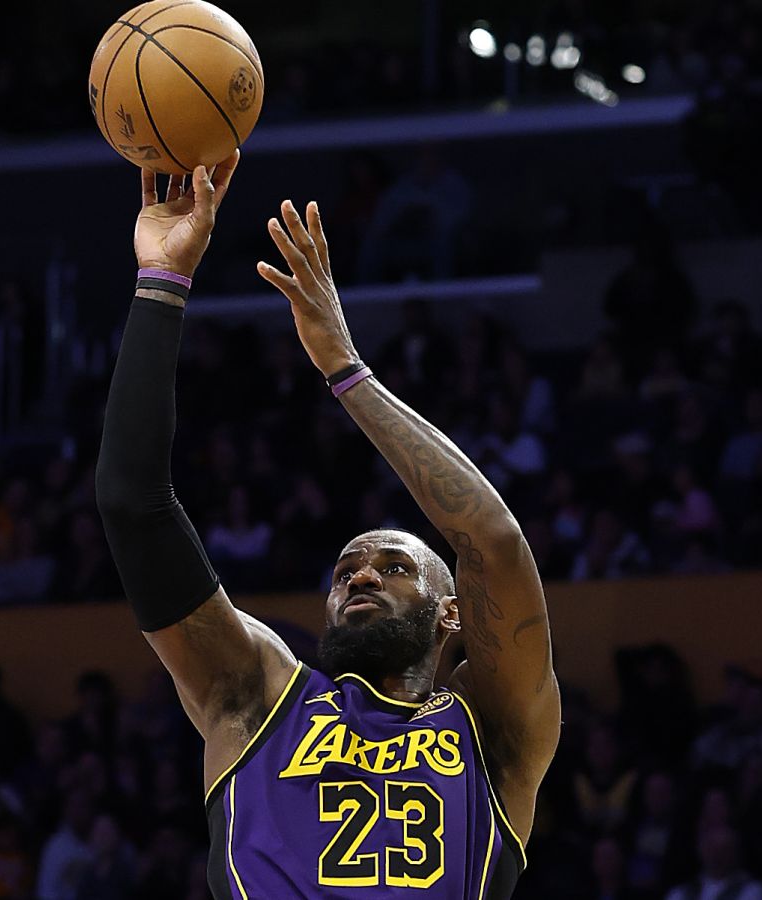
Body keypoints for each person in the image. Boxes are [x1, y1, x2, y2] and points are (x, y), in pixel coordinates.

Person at [95, 158, 560, 898]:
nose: (361, 575)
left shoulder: (491, 726)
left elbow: (493, 543)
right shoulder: (256, 696)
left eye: (394, 567)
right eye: (345, 573)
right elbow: (132, 503)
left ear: (453, 614)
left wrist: (345, 368)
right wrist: (162, 281)